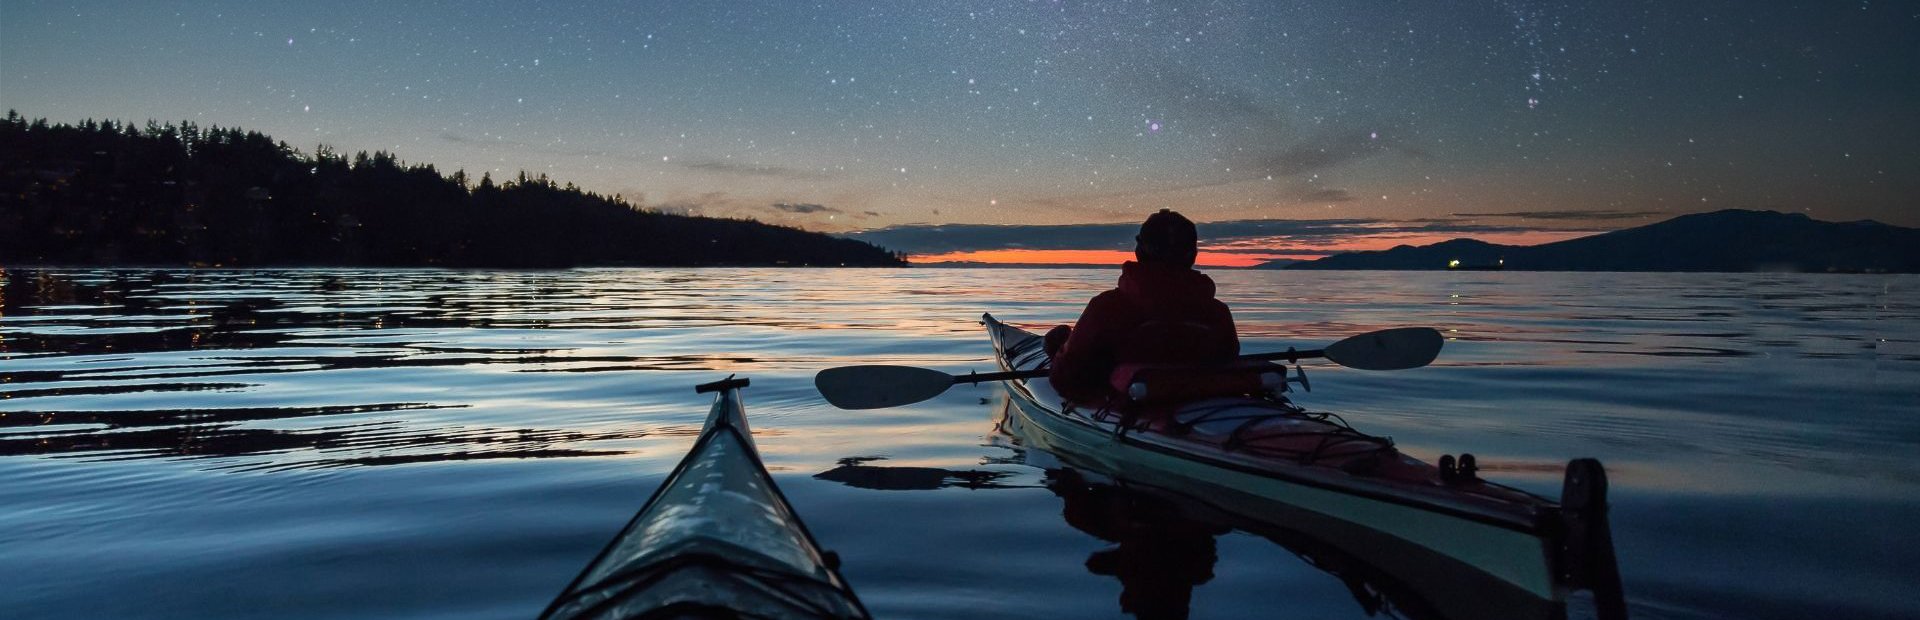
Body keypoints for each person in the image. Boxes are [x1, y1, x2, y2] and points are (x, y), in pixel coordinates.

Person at [1044, 209, 1239, 404]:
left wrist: (1056, 352)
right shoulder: (1218, 313)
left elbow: (1065, 379)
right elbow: (1228, 361)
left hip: (1125, 410)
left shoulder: (1107, 308)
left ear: (1139, 251)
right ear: (1192, 255)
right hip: (1207, 408)